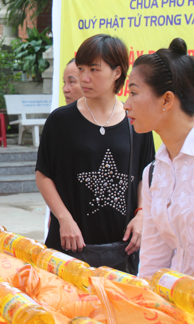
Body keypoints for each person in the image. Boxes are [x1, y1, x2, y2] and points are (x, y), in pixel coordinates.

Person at [35, 34, 154, 270]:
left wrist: (141, 215)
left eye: (94, 69)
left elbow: (145, 175)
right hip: (69, 244)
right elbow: (43, 174)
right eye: (81, 69)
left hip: (122, 249)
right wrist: (64, 219)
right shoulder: (61, 120)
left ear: (117, 72)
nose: (84, 78)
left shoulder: (136, 120)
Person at [123, 37, 194, 278]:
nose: (126, 104)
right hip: (175, 298)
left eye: (134, 93)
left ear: (167, 100)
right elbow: (153, 261)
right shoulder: (153, 172)